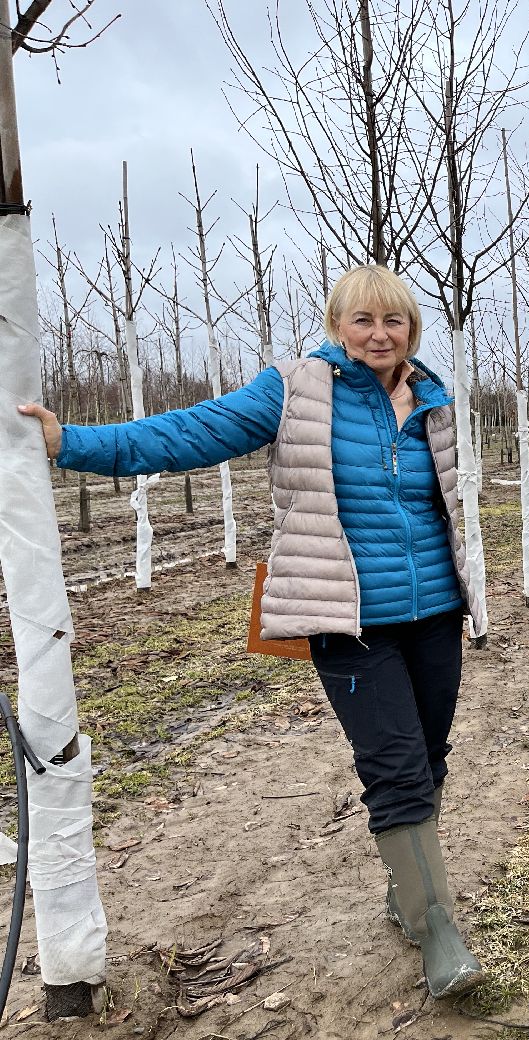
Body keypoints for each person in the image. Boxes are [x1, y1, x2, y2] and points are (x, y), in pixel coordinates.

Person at [18, 265, 487, 1001]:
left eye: (392, 321)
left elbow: (446, 505)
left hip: (433, 614)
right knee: (394, 767)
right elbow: (190, 433)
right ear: (337, 327)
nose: (378, 334)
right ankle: (438, 931)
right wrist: (70, 442)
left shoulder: (434, 399)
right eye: (361, 320)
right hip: (345, 620)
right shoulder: (297, 389)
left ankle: (407, 893)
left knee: (428, 758)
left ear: (411, 330)